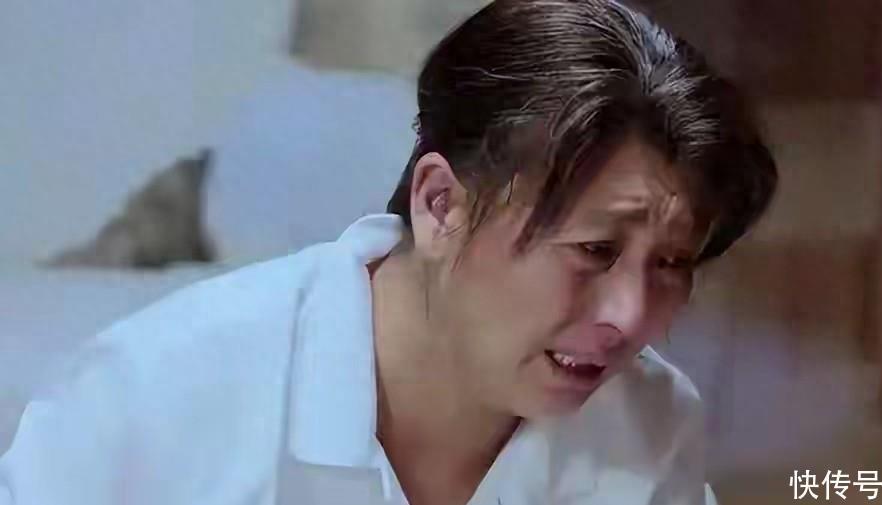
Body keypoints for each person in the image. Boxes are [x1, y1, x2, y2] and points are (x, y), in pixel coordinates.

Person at [0, 0, 776, 503]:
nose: (631, 316)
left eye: (670, 264)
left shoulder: (648, 422)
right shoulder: (157, 396)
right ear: (440, 205)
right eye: (594, 249)